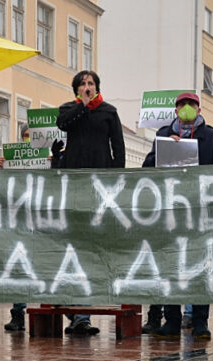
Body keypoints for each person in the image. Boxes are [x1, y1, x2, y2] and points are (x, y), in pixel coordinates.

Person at [141, 91, 213, 339]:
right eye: (182, 105)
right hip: (170, 211)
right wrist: (167, 150)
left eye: (191, 104)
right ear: (175, 110)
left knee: (200, 267)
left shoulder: (212, 137)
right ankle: (172, 320)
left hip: (201, 212)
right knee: (171, 266)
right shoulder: (163, 135)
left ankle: (200, 322)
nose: (187, 108)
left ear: (199, 110)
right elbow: (148, 167)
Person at [56, 69, 125, 336]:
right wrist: (82, 106)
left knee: (90, 246)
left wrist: (116, 181)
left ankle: (82, 313)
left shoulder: (108, 111)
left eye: (91, 83)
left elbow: (117, 147)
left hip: (100, 185)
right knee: (73, 245)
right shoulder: (68, 110)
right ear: (76, 89)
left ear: (98, 86)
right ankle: (75, 312)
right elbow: (65, 126)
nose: (87, 87)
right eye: (83, 84)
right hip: (73, 184)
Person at [0, 126, 32, 332]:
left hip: (47, 220)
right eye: (26, 136)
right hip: (20, 220)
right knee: (19, 268)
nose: (29, 140)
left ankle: (70, 313)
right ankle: (18, 313)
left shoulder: (52, 158)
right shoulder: (14, 160)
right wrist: (1, 168)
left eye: (33, 137)